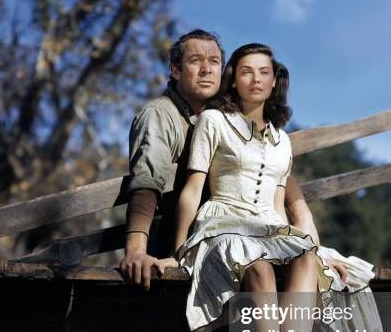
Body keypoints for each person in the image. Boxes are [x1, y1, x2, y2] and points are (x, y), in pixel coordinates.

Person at [156, 43, 381, 332]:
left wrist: (319, 250)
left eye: (264, 72)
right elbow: (192, 190)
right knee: (257, 268)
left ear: (275, 80)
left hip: (267, 226)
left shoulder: (283, 142)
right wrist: (179, 251)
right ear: (234, 79)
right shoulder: (213, 121)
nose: (256, 79)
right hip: (224, 218)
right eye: (246, 71)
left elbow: (278, 208)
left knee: (309, 261)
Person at [119, 30, 339, 290]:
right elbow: (147, 181)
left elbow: (272, 169)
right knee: (258, 266)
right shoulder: (161, 115)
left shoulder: (230, 116)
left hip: (244, 231)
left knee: (306, 263)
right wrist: (135, 250)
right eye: (195, 61)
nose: (206, 69)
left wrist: (301, 212)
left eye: (214, 62)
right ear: (176, 71)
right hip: (175, 239)